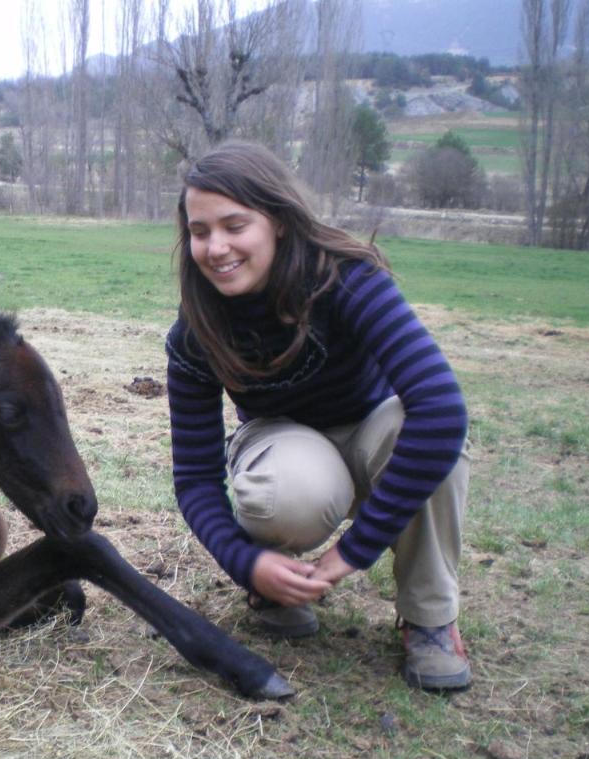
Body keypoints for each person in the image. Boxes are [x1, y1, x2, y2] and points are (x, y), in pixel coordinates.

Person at [165, 142, 471, 691]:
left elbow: (442, 410)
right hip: (286, 446)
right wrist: (244, 562)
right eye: (200, 230)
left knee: (422, 435)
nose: (215, 247)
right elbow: (193, 479)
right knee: (282, 488)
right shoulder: (194, 335)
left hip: (373, 428)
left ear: (278, 221)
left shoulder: (346, 280)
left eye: (235, 225)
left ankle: (430, 617)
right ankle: (278, 582)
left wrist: (351, 554)